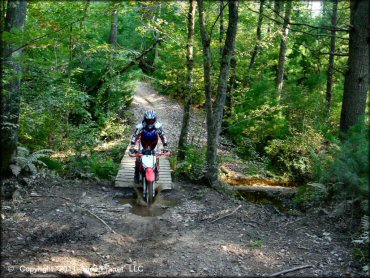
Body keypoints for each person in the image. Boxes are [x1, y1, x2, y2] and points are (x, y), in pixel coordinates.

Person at [129, 110, 168, 184]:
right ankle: (136, 174)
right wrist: (132, 145)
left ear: (155, 119)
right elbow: (135, 135)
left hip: (154, 143)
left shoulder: (157, 126)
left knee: (156, 156)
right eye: (148, 120)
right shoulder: (141, 125)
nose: (150, 122)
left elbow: (162, 135)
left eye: (152, 120)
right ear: (145, 119)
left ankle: (156, 171)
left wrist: (165, 146)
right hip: (143, 143)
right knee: (138, 157)